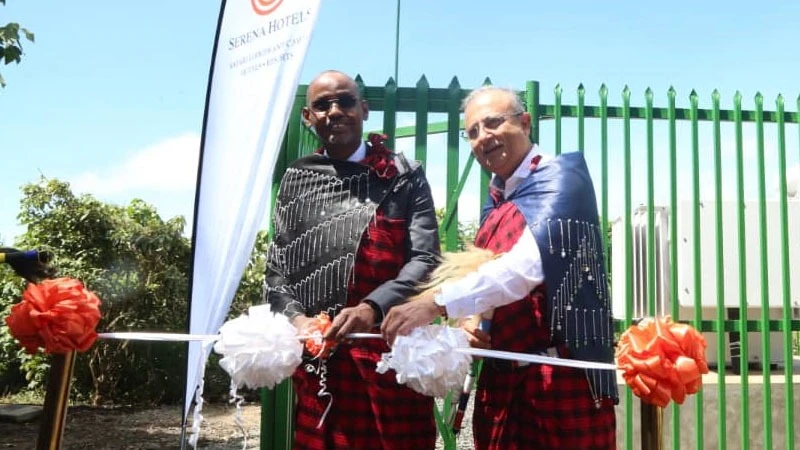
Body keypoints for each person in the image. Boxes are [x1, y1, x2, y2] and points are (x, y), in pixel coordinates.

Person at [382, 86, 618, 449]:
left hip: (558, 385)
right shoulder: (497, 201)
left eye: (492, 123)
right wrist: (471, 323)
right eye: (472, 132)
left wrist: (434, 302)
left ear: (525, 123)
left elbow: (523, 269)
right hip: (502, 386)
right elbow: (488, 279)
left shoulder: (562, 180)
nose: (482, 137)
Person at [264, 70, 440, 450]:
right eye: (322, 105)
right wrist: (299, 321)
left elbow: (426, 258)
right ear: (308, 118)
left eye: (344, 101)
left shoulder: (404, 176)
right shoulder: (297, 178)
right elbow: (277, 271)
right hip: (319, 364)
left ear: (364, 109)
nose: (334, 111)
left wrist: (372, 308)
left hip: (388, 357)